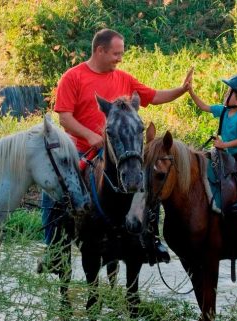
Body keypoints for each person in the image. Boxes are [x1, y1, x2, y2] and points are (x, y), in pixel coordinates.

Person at [41, 28, 192, 270]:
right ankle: (54, 249)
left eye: (121, 53)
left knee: (150, 183)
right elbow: (65, 118)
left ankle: (151, 240)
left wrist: (181, 90)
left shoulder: (124, 78)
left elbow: (153, 96)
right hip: (82, 149)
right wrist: (91, 136)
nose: (120, 58)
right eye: (116, 53)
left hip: (122, 151)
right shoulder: (73, 77)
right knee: (53, 188)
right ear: (100, 50)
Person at [188, 73, 237, 211]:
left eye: (230, 92)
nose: (226, 94)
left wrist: (223, 145)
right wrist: (191, 91)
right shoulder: (223, 111)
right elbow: (204, 107)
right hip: (229, 151)